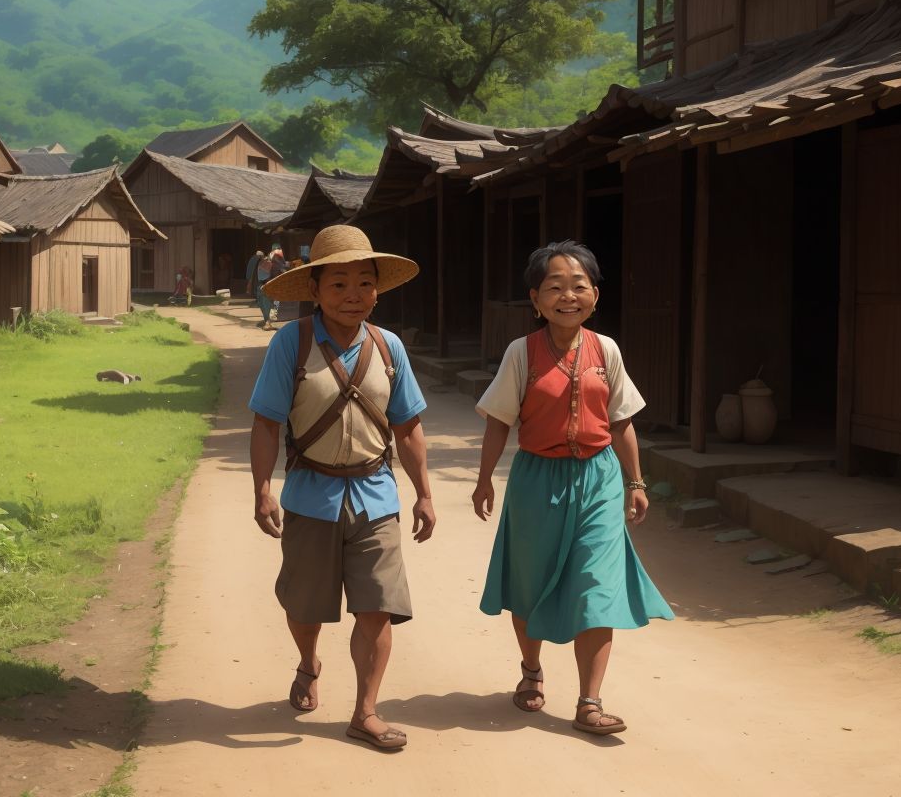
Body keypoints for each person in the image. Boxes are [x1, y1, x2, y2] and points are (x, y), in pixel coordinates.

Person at [472, 240, 672, 736]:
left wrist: (635, 481)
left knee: (597, 587)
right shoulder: (522, 352)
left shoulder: (607, 350)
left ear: (595, 296)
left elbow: (621, 420)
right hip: (537, 479)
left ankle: (589, 701)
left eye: (578, 285)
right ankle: (531, 672)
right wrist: (483, 480)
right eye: (554, 287)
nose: (568, 295)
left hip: (598, 478)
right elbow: (499, 421)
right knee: (528, 582)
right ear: (536, 300)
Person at [249, 225, 436, 751]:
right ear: (315, 291)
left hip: (376, 495)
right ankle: (309, 662)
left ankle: (365, 712)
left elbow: (409, 426)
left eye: (364, 283)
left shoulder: (388, 345)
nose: (354, 295)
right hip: (311, 496)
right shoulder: (292, 342)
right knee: (305, 605)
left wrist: (422, 493)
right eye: (339, 284)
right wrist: (263, 488)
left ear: (378, 289)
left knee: (378, 605)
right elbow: (266, 422)